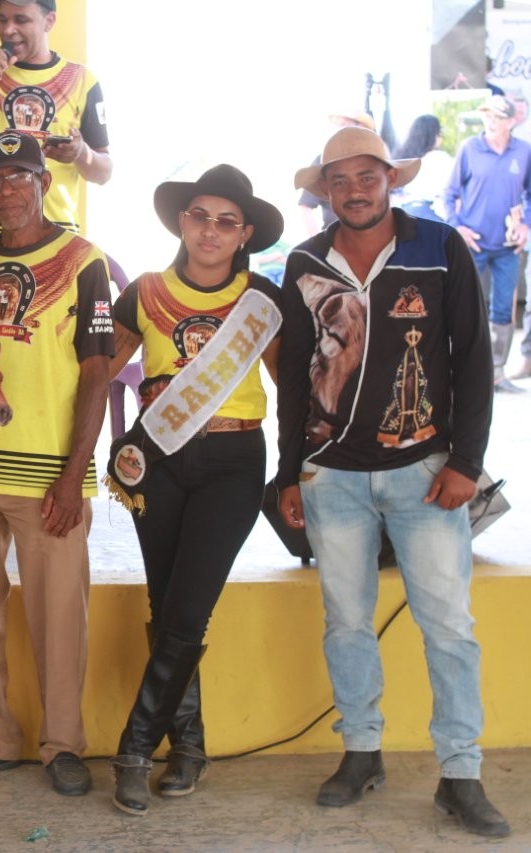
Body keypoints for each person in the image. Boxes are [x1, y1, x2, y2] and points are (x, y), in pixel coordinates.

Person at [277, 127, 509, 839]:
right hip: (332, 475)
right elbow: (294, 377)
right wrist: (290, 471)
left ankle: (461, 773)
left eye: (367, 176)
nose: (354, 190)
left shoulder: (438, 248)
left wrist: (466, 462)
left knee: (449, 627)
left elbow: (472, 359)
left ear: (390, 180)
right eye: (339, 179)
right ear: (325, 190)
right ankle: (361, 752)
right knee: (346, 622)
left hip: (424, 472)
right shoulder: (304, 262)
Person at [103, 164, 284, 816]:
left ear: (245, 234)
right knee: (168, 602)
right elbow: (97, 372)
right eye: (200, 216)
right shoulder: (145, 293)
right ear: (182, 221)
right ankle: (189, 747)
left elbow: (292, 386)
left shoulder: (262, 301)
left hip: (234, 462)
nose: (211, 230)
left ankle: (134, 747)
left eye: (227, 221)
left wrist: (298, 468)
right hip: (158, 458)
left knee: (188, 608)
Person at [0, 131, 112, 797]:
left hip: (49, 474)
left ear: (45, 183)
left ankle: (62, 743)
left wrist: (74, 473)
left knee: (60, 615)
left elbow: (97, 372)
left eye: (20, 177)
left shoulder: (84, 260)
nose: (7, 190)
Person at [0, 0, 111, 246]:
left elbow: (104, 173)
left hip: (57, 240)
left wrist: (81, 153)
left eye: (21, 20)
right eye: (2, 19)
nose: (8, 30)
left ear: (49, 21)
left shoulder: (82, 80)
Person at [442, 94, 531, 393]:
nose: (491, 122)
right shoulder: (470, 148)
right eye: (487, 116)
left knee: (503, 310)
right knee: (466, 307)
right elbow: (449, 195)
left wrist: (526, 225)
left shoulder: (524, 151)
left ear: (511, 121)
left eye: (497, 117)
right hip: (474, 244)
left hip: (507, 246)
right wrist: (459, 228)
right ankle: (466, 373)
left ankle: (497, 374)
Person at [297, 111, 377, 236]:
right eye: (339, 125)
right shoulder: (323, 161)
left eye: (345, 124)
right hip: (335, 239)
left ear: (362, 127)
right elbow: (306, 207)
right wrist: (318, 244)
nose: (341, 129)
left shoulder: (378, 161)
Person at [391, 115, 452, 223]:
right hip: (430, 216)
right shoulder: (440, 158)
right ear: (433, 135)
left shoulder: (401, 159)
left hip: (401, 215)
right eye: (439, 133)